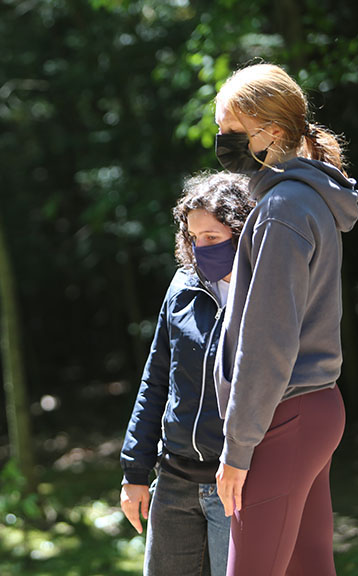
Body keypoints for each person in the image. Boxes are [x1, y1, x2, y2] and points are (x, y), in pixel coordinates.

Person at [212, 63, 358, 576]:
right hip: (310, 409)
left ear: (271, 133)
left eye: (230, 132)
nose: (222, 142)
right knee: (309, 566)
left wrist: (237, 448)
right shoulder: (304, 199)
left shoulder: (282, 210)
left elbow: (267, 342)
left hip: (285, 415)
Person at [120, 171, 254, 576]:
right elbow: (155, 380)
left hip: (235, 484)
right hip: (174, 481)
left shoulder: (265, 292)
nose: (200, 248)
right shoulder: (182, 286)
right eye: (193, 238)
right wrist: (134, 472)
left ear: (242, 230)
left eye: (212, 237)